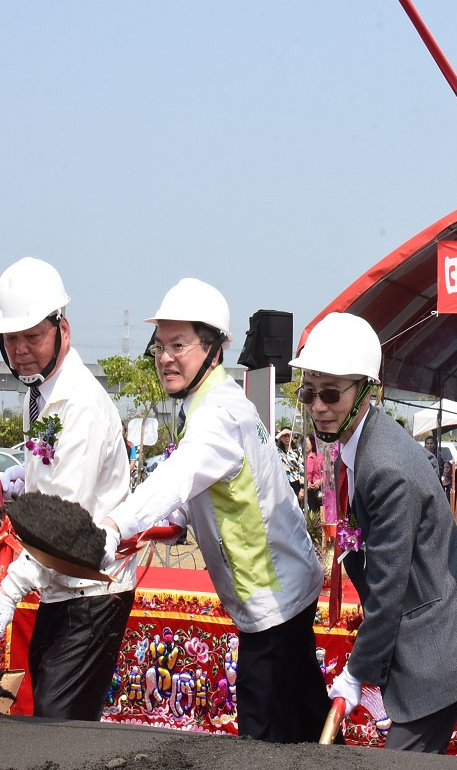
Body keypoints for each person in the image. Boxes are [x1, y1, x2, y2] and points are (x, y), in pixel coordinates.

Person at [99, 278, 328, 743]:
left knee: (264, 743)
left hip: (273, 601)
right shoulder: (214, 401)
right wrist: (174, 522)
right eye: (160, 345)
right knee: (306, 721)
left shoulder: (216, 414)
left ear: (214, 349)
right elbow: (209, 483)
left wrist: (111, 527)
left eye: (178, 345)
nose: (165, 358)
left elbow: (178, 474)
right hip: (286, 589)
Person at [290, 312, 457, 753]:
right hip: (418, 634)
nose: (318, 406)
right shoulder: (358, 446)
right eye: (309, 392)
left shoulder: (386, 467)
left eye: (330, 393)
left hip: (436, 643)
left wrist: (356, 673)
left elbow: (388, 588)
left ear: (367, 391)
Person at [0, 257, 133, 721]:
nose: (20, 350)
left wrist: (8, 592)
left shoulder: (80, 404)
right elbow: (49, 483)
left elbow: (65, 521)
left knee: (57, 723)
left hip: (92, 591)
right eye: (10, 339)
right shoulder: (40, 392)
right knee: (50, 713)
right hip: (59, 587)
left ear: (62, 328)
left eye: (32, 336)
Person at [276, 428, 306, 504]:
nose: (287, 438)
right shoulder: (278, 451)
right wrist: (281, 433)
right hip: (282, 484)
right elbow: (268, 445)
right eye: (284, 436)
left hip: (295, 484)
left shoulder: (297, 451)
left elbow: (302, 470)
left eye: (289, 436)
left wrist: (302, 489)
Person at [304, 434, 324, 514]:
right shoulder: (299, 458)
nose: (304, 445)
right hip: (305, 492)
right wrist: (305, 483)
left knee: (320, 513)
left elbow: (327, 474)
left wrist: (321, 481)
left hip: (317, 490)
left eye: (306, 443)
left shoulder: (319, 457)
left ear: (312, 444)